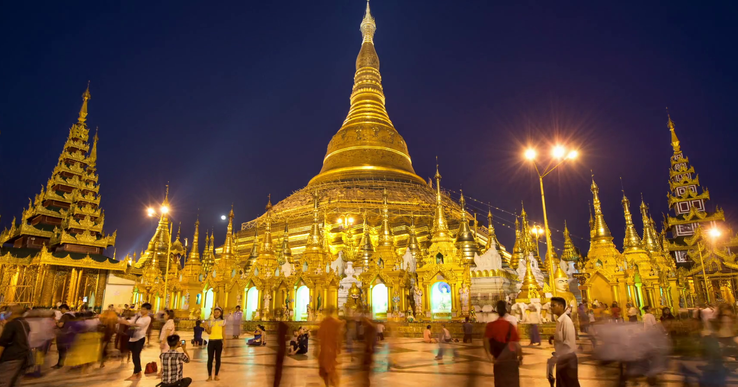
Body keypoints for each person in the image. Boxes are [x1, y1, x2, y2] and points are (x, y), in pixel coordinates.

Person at [484, 300, 522, 386]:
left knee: (499, 381)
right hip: (511, 359)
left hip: (498, 358)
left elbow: (486, 341)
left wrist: (489, 356)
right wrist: (520, 356)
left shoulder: (491, 325)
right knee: (513, 382)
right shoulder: (510, 325)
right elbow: (516, 343)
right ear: (506, 309)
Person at [549, 297, 580, 387]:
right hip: (562, 359)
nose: (551, 308)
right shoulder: (560, 321)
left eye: (553, 305)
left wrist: (557, 356)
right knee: (562, 383)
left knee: (569, 384)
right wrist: (553, 337)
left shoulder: (566, 321)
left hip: (567, 359)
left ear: (561, 306)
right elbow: (562, 337)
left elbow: (568, 344)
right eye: (551, 305)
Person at [119, 302, 152, 381]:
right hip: (133, 338)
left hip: (140, 338)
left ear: (148, 310)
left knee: (135, 356)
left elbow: (139, 325)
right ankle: (139, 372)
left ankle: (135, 374)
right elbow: (131, 321)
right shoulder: (138, 316)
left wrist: (128, 323)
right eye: (142, 308)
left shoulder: (148, 318)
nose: (142, 310)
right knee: (135, 355)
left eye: (144, 309)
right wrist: (123, 321)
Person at [0, 304, 30, 387]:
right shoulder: (24, 323)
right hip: (22, 356)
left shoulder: (12, 324)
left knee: (3, 381)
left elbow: (3, 343)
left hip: (11, 357)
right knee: (14, 381)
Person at [317, 307, 342, 386]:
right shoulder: (335, 323)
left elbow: (319, 337)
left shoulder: (324, 322)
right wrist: (339, 349)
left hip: (325, 349)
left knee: (326, 370)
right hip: (331, 350)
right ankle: (333, 384)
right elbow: (339, 337)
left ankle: (329, 384)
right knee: (330, 370)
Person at [203, 307, 225, 381]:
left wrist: (224, 342)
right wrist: (206, 327)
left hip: (219, 341)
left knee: (218, 359)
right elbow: (209, 332)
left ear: (220, 313)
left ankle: (216, 375)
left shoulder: (223, 322)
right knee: (210, 359)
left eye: (217, 312)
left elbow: (223, 333)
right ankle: (209, 376)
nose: (216, 314)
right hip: (211, 341)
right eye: (215, 312)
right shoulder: (211, 322)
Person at [53, 303, 73, 369]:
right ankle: (61, 363)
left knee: (61, 350)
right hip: (69, 334)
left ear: (64, 309)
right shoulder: (72, 315)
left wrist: (56, 322)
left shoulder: (65, 316)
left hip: (62, 334)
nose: (60, 311)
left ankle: (60, 364)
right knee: (64, 350)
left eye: (61, 309)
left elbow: (60, 325)